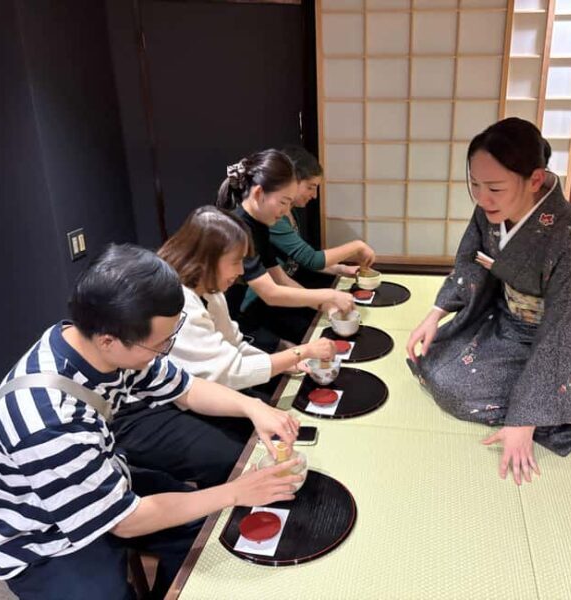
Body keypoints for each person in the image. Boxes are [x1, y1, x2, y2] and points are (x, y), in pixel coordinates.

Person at [0, 244, 302, 599]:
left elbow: (185, 388)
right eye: (160, 344)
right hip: (41, 539)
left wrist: (254, 409)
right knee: (110, 590)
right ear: (109, 340)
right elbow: (127, 522)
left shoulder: (97, 346)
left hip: (102, 479)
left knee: (204, 532)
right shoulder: (48, 422)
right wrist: (235, 492)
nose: (165, 350)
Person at [406, 118, 571, 486]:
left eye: (495, 188)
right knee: (432, 363)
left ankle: (541, 407)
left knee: (461, 391)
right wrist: (436, 313)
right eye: (475, 185)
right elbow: (470, 262)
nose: (482, 198)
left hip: (555, 343)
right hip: (504, 322)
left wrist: (523, 419)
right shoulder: (491, 211)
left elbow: (568, 329)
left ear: (535, 180)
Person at [111, 207, 337, 489]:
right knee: (231, 459)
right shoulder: (176, 303)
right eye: (237, 261)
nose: (242, 271)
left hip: (177, 389)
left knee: (266, 418)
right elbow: (226, 372)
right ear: (208, 259)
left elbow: (230, 350)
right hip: (143, 407)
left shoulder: (210, 292)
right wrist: (300, 352)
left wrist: (285, 367)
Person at [216, 149, 354, 352]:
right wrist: (328, 296)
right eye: (283, 202)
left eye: (290, 203)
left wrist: (321, 304)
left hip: (236, 317)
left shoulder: (260, 226)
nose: (286, 211)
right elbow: (271, 293)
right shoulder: (238, 231)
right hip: (221, 323)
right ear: (258, 193)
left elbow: (280, 279)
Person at [268, 145, 376, 289]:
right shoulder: (273, 218)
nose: (314, 195)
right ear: (291, 181)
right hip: (261, 301)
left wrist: (342, 269)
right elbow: (311, 259)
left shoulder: (291, 212)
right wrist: (357, 246)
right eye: (310, 187)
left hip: (286, 287)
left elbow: (303, 258)